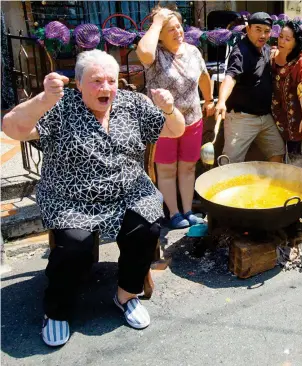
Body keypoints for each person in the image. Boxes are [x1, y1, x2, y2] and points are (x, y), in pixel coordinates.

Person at [1, 50, 185, 347]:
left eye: (111, 80)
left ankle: (126, 295)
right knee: (76, 245)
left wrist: (168, 108)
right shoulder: (60, 106)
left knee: (147, 227)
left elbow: (176, 130)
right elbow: (11, 127)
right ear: (78, 83)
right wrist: (44, 99)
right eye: (96, 81)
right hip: (70, 197)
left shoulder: (133, 103)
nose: (106, 88)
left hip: (129, 191)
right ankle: (57, 311)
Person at [136, 7, 215, 229]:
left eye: (178, 26)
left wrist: (209, 99)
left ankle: (188, 210)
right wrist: (158, 21)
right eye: (169, 29)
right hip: (163, 124)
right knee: (167, 169)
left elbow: (203, 76)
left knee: (188, 167)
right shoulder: (155, 55)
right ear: (159, 33)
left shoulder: (192, 51)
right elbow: (144, 53)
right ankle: (173, 213)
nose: (177, 32)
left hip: (192, 119)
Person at [215, 12, 285, 164]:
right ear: (248, 29)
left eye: (266, 31)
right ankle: (224, 187)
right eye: (258, 29)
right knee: (230, 162)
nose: (262, 35)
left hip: (265, 117)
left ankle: (268, 187)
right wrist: (221, 101)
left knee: (278, 152)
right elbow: (230, 77)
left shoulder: (266, 49)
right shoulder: (240, 52)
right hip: (242, 119)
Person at [271, 21, 302, 165]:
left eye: (287, 39)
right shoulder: (271, 57)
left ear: (295, 42)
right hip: (273, 119)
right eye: (281, 36)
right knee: (276, 156)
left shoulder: (300, 62)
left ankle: (297, 186)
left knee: (295, 159)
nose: (282, 41)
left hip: (294, 120)